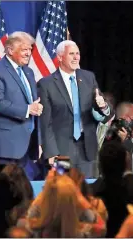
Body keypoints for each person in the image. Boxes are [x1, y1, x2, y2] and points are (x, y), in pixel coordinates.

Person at [38, 40, 110, 178]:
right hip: (61, 150)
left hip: (87, 149)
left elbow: (103, 112)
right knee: (63, 191)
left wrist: (103, 106)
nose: (76, 57)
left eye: (78, 53)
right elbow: (45, 122)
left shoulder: (88, 78)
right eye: (71, 54)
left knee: (87, 191)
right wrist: (51, 152)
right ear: (60, 57)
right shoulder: (46, 84)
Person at [0, 31, 42, 180]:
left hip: (26, 145)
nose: (28, 53)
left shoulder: (29, 72)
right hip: (4, 148)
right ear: (10, 50)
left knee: (21, 195)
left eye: (30, 49)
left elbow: (32, 103)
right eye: (24, 49)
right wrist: (28, 109)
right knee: (3, 194)